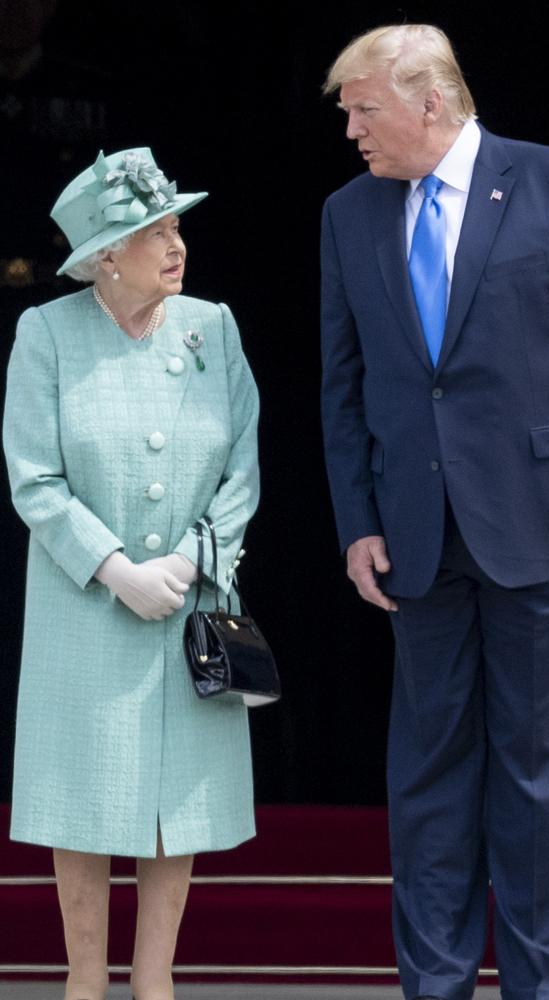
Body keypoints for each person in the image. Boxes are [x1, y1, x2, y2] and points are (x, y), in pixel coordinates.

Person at [320, 24, 549, 1000]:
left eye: (362, 107)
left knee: (544, 780)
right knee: (426, 780)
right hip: (414, 539)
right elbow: (342, 383)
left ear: (430, 101)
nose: (349, 129)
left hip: (547, 529)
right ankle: (433, 984)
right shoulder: (347, 213)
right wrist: (355, 520)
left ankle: (545, 987)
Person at [2, 147, 260, 1000]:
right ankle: (85, 985)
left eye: (177, 225)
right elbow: (33, 478)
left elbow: (244, 473)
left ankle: (155, 985)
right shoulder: (45, 333)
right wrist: (116, 570)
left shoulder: (213, 326)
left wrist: (189, 561)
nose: (176, 243)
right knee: (82, 797)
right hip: (87, 610)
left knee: (173, 804)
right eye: (154, 231)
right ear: (106, 255)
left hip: (189, 608)